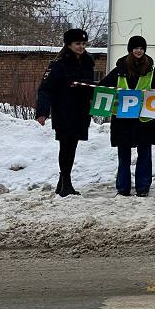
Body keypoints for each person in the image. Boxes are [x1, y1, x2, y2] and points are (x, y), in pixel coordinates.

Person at [98, 35, 155, 197]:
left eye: (141, 48)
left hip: (144, 119)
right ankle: (123, 188)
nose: (139, 51)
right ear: (130, 50)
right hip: (123, 119)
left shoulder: (151, 70)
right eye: (136, 48)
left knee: (145, 154)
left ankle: (143, 187)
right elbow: (103, 87)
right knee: (123, 155)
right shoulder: (119, 70)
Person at [36, 28, 96, 197]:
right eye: (78, 43)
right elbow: (45, 89)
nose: (81, 47)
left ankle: (62, 182)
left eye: (83, 43)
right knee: (66, 146)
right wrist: (42, 112)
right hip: (64, 111)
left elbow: (91, 86)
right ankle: (66, 183)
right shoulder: (58, 64)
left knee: (72, 146)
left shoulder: (88, 63)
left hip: (81, 111)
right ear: (68, 44)